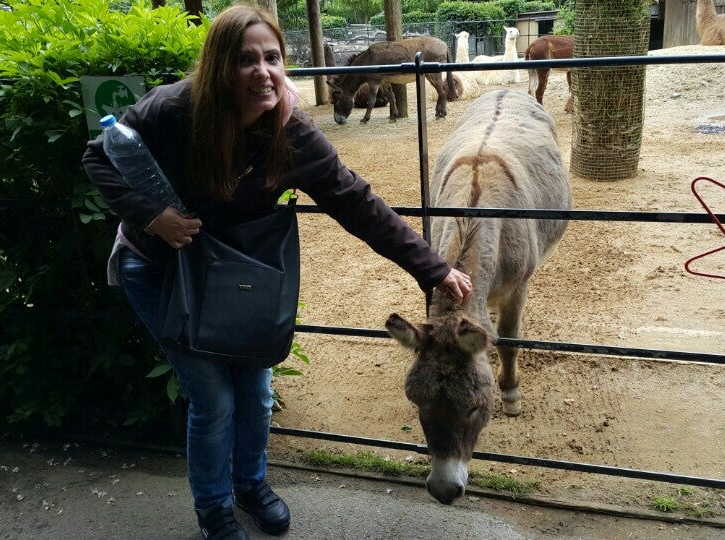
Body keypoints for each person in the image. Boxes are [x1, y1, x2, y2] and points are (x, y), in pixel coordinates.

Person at [81, 5, 473, 539]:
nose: (263, 71)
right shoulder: (174, 109)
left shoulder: (292, 132)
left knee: (257, 393)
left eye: (272, 58)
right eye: (245, 60)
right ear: (219, 67)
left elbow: (355, 202)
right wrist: (152, 216)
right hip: (161, 267)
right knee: (215, 399)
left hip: (238, 274)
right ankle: (215, 508)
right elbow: (99, 155)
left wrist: (432, 269)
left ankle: (251, 484)